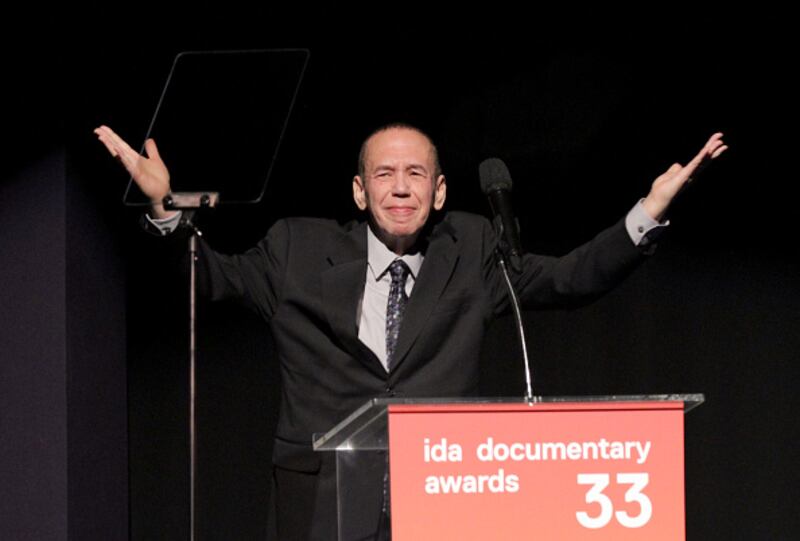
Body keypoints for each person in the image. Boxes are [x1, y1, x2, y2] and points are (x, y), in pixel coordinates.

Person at [95, 123, 726, 540]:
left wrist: (647, 213)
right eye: (385, 174)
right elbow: (208, 281)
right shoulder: (296, 250)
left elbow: (567, 280)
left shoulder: (472, 249)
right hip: (321, 507)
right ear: (359, 191)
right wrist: (165, 209)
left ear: (440, 190)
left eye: (417, 174)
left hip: (440, 502)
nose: (401, 188)